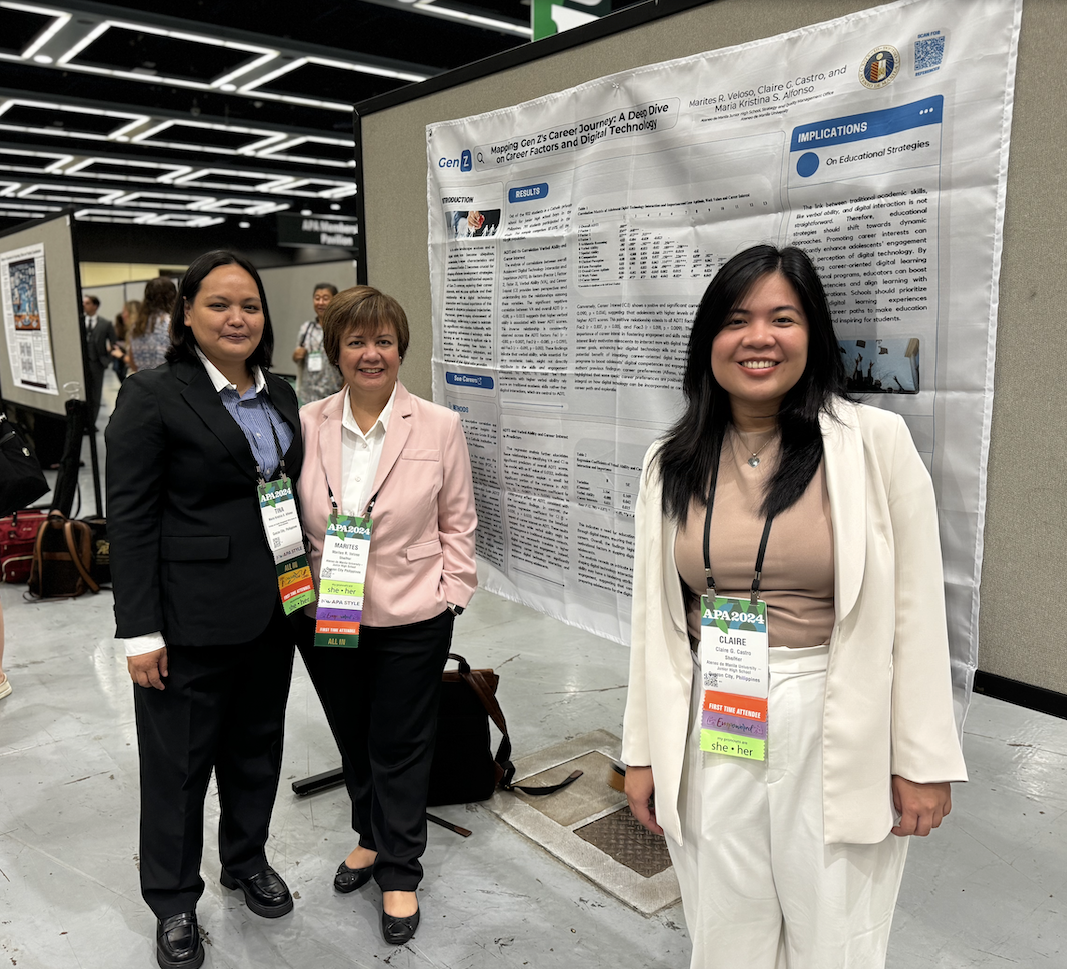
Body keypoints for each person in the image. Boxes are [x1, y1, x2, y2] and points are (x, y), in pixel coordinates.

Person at [622, 245, 967, 969]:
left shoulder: (872, 444)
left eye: (783, 318)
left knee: (833, 936)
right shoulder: (670, 461)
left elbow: (916, 610)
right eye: (736, 320)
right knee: (725, 930)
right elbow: (653, 625)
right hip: (714, 704)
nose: (759, 338)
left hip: (834, 706)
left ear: (813, 335)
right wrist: (643, 753)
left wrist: (924, 759)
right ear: (708, 339)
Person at [106, 251, 303, 969]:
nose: (236, 318)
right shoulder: (152, 395)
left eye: (249, 304)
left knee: (256, 749)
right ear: (186, 313)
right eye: (218, 304)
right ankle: (173, 899)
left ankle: (245, 860)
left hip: (274, 608)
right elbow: (130, 519)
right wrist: (139, 631)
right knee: (178, 768)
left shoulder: (281, 394)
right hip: (187, 620)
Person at [296, 285, 477, 945]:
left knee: (399, 743)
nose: (370, 354)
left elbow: (459, 520)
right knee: (353, 735)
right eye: (356, 341)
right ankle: (370, 835)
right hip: (329, 609)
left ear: (401, 349)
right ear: (335, 349)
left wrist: (452, 593)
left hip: (413, 612)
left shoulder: (438, 425)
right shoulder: (306, 422)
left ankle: (399, 867)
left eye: (384, 341)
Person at [292, 282, 341, 404]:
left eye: (325, 298)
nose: (320, 303)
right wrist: (296, 355)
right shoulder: (306, 328)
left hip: (334, 395)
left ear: (335, 300)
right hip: (308, 396)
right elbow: (297, 357)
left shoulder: (341, 329)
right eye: (317, 298)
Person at [127, 279, 176, 374]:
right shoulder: (172, 324)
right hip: (168, 379)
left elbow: (133, 363)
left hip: (143, 379)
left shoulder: (137, 326)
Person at [81, 294, 116, 428]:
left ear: (95, 306)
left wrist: (107, 360)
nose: (84, 305)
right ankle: (83, 422)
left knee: (96, 394)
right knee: (83, 393)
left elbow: (114, 343)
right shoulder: (79, 321)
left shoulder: (105, 324)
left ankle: (91, 423)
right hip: (82, 363)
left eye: (87, 303)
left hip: (97, 363)